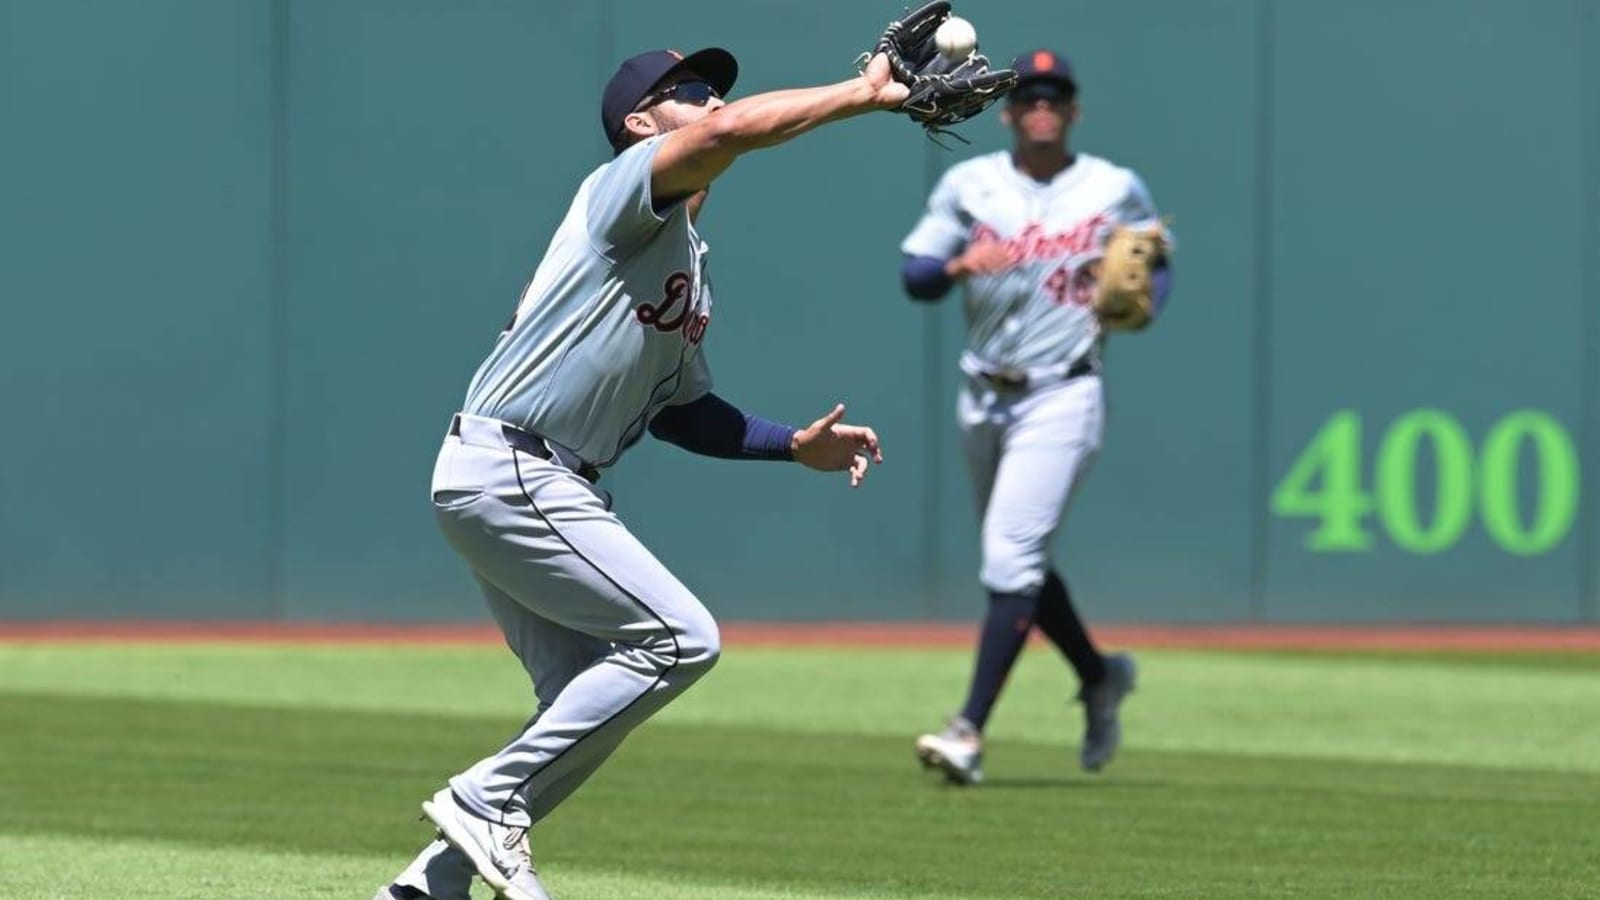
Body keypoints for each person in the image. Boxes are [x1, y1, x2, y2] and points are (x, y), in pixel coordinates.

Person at [372, 47, 908, 900]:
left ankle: (430, 885)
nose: (713, 98)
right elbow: (733, 131)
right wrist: (861, 93)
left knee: (580, 697)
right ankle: (485, 800)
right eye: (689, 90)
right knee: (681, 639)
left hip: (519, 477)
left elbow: (682, 411)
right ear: (638, 123)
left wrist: (789, 446)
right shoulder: (622, 189)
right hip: (518, 468)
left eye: (714, 87)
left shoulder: (685, 263)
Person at [899, 48, 1174, 785]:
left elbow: (1159, 259)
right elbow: (916, 275)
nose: (1042, 106)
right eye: (1030, 97)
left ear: (1073, 109)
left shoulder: (1113, 187)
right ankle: (1098, 675)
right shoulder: (971, 183)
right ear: (1009, 111)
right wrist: (960, 265)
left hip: (1064, 390)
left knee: (1009, 555)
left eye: (1055, 96)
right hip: (983, 391)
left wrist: (1141, 301)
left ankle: (968, 731)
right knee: (1015, 558)